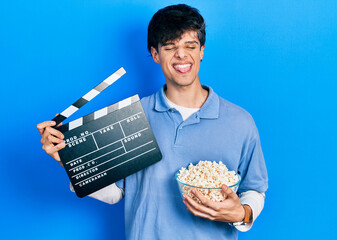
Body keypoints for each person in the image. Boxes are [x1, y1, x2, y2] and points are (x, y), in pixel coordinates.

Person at [37, 4, 268, 240]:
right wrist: (69, 160)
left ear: (202, 51)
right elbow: (115, 193)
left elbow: (254, 189)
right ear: (155, 54)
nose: (181, 55)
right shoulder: (131, 116)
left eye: (190, 46)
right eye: (170, 47)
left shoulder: (240, 122)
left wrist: (242, 213)